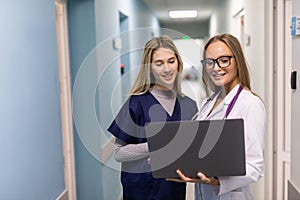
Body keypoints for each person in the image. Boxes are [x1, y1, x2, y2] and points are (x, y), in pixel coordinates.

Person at [169, 33, 266, 200]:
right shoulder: (209, 101)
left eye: (224, 60)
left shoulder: (250, 104)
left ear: (237, 60)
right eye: (209, 62)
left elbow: (255, 166)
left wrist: (216, 181)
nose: (216, 67)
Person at [107, 35, 198, 200]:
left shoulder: (189, 105)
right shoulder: (136, 103)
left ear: (178, 63)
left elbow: (191, 148)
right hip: (142, 189)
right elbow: (118, 153)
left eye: (171, 61)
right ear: (149, 68)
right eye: (159, 63)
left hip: (174, 188)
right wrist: (156, 146)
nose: (167, 69)